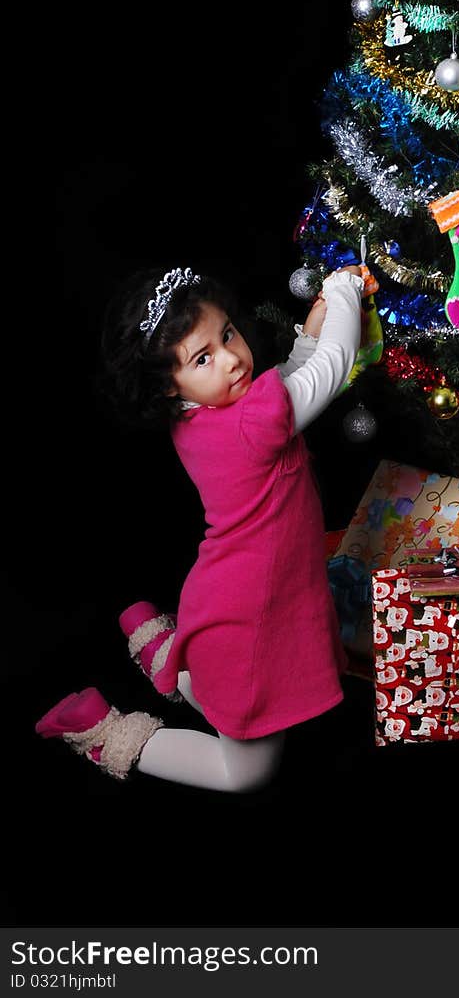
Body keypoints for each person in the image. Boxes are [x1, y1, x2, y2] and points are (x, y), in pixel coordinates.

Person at [35, 261, 364, 792]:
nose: (233, 360)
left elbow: (283, 382)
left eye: (228, 334)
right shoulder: (254, 426)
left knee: (222, 684)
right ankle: (103, 731)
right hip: (251, 619)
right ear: (169, 384)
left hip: (230, 593)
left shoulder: (199, 415)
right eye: (203, 357)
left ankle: (167, 653)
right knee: (244, 773)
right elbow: (334, 365)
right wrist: (346, 291)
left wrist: (311, 326)